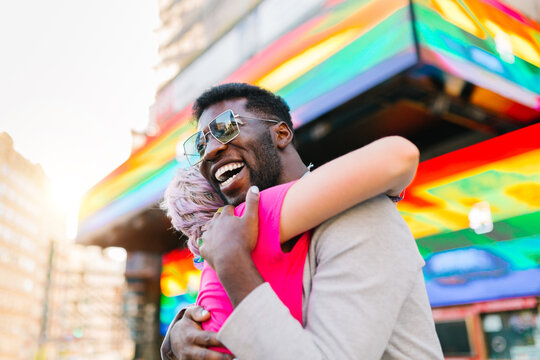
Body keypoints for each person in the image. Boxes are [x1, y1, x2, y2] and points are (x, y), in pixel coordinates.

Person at [161, 83, 444, 360]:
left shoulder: (358, 211)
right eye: (201, 144)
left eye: (226, 127)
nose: (210, 151)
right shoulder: (242, 240)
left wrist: (232, 265)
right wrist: (184, 330)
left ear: (281, 134)